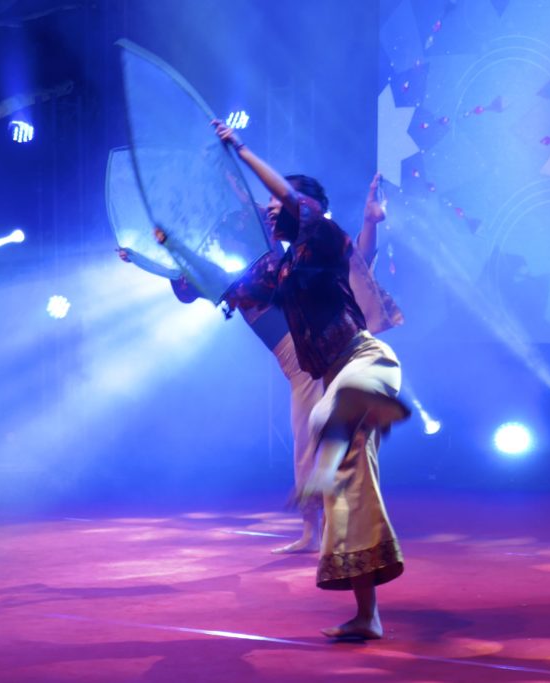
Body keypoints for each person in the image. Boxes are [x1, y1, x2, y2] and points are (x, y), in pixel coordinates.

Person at [120, 176, 399, 556]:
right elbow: (187, 285)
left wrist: (235, 185)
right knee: (311, 446)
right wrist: (154, 254)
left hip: (313, 363)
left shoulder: (274, 262)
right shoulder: (236, 278)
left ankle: (332, 534)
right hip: (303, 368)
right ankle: (318, 532)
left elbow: (351, 265)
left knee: (318, 445)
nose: (222, 240)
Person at [212, 119, 410, 639]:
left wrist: (243, 149)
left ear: (310, 209)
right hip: (334, 382)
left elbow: (290, 204)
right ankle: (368, 615)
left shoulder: (321, 237)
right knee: (348, 486)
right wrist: (171, 247)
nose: (275, 206)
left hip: (366, 361)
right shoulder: (277, 271)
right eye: (276, 203)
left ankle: (364, 415)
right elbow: (208, 285)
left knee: (331, 413)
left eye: (286, 201)